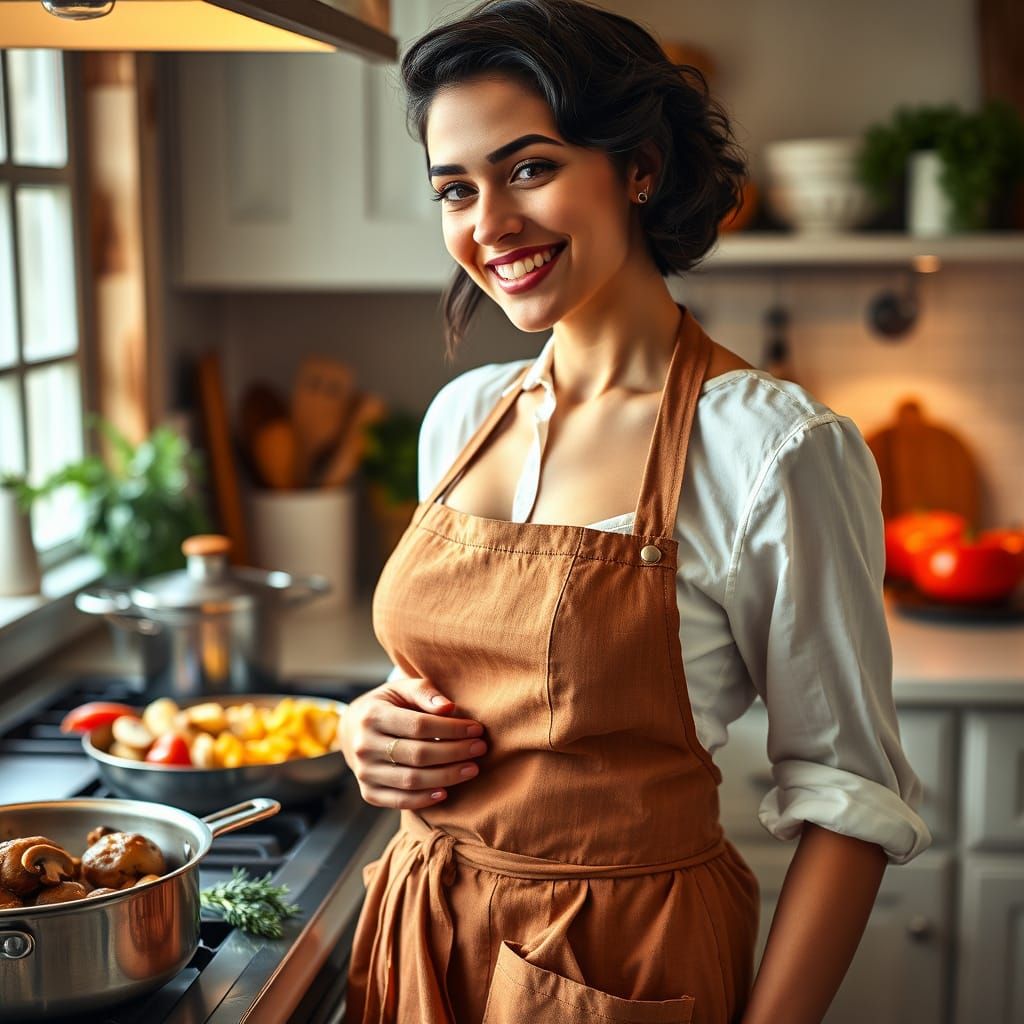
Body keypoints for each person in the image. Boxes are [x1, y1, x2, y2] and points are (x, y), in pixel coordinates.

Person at [339, 2, 932, 1022]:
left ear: (639, 166)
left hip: (621, 963)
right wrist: (372, 728)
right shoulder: (463, 417)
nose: (488, 224)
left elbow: (849, 800)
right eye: (455, 188)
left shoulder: (773, 449)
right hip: (419, 935)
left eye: (529, 169)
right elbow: (455, 681)